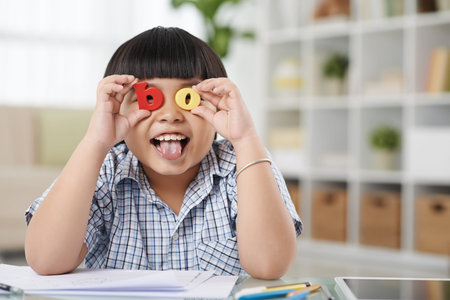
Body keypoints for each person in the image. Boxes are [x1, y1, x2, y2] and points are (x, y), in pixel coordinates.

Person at [25, 26, 302, 279]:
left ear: (217, 108)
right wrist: (95, 143)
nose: (170, 115)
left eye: (188, 98)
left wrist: (245, 138)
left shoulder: (243, 164)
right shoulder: (106, 169)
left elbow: (269, 265)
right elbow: (46, 260)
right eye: (149, 98)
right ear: (118, 109)